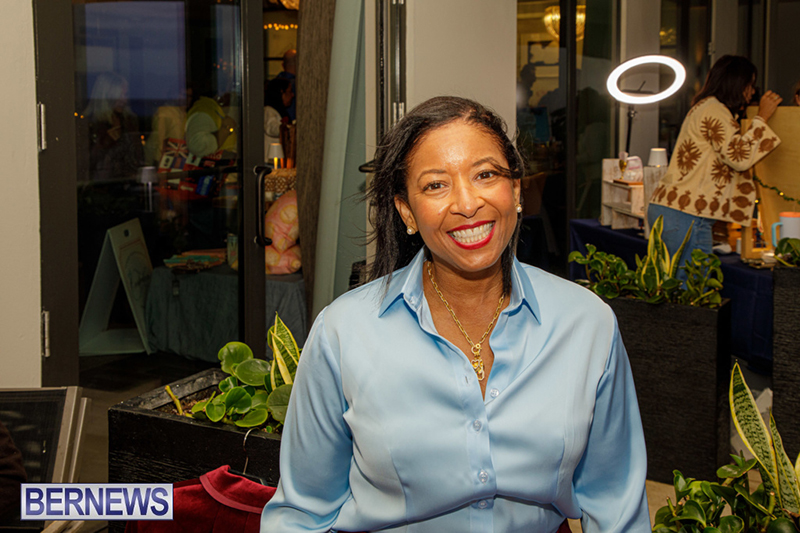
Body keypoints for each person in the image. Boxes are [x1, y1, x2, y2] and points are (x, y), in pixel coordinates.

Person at [260, 96, 650, 532]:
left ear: (516, 191)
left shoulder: (586, 324)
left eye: (485, 175)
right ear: (407, 212)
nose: (467, 203)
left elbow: (616, 507)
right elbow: (301, 513)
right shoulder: (344, 333)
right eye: (435, 185)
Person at [649, 55, 782, 265]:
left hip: (680, 212)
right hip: (686, 215)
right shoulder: (713, 110)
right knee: (692, 282)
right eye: (750, 85)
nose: (752, 92)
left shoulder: (708, 107)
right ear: (738, 84)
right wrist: (762, 117)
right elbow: (739, 157)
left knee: (677, 280)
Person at [83, 72, 143, 181]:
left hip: (130, 184)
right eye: (119, 95)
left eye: (126, 94)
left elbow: (138, 155)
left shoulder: (129, 120)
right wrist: (106, 141)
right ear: (106, 95)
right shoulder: (91, 124)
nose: (124, 100)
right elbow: (86, 163)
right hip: (102, 186)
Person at [264, 77, 294, 159]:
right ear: (281, 92)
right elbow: (272, 128)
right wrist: (288, 128)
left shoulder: (280, 111)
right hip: (272, 159)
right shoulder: (269, 111)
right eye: (290, 91)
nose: (292, 95)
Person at [276, 49, 297, 121]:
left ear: (283, 65)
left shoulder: (274, 82)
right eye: (289, 92)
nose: (292, 95)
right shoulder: (297, 85)